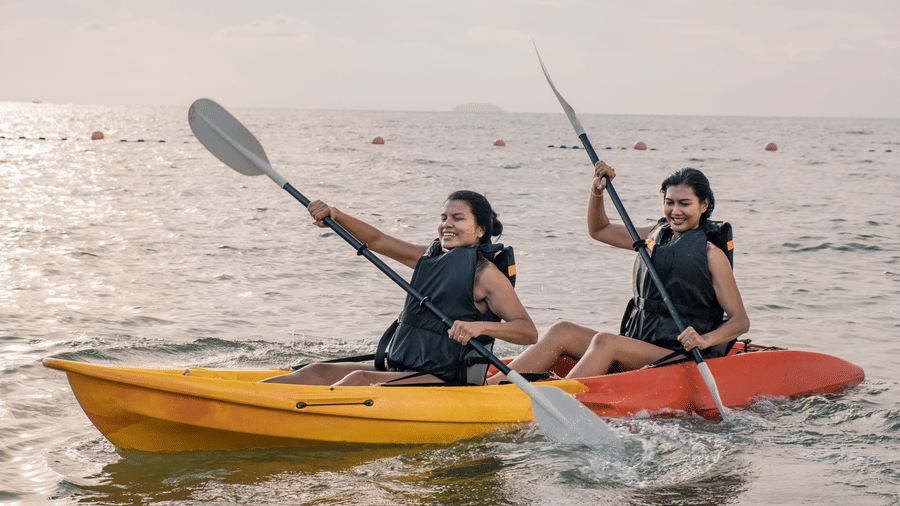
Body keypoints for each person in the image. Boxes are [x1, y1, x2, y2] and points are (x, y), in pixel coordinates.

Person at [488, 161, 749, 383]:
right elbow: (599, 230)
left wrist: (704, 340)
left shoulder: (711, 254)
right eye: (669, 202)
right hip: (641, 342)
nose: (675, 211)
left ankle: (557, 401)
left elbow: (740, 320)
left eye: (685, 203)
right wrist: (596, 192)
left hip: (678, 353)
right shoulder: (653, 236)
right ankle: (488, 389)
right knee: (562, 330)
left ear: (704, 205)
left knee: (605, 342)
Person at [261, 190, 538, 387]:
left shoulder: (486, 274)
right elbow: (379, 240)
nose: (447, 225)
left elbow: (527, 332)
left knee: (359, 380)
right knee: (317, 371)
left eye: (458, 218)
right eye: (443, 217)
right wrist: (336, 215)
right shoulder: (429, 258)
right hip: (404, 368)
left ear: (480, 230)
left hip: (446, 379)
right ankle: (253, 395)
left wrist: (480, 327)